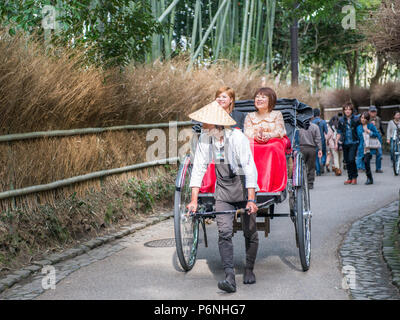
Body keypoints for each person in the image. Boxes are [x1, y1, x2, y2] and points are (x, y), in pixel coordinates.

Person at [187, 100, 259, 293]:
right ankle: (229, 277)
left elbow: (249, 168)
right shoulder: (205, 139)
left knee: (250, 230)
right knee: (224, 232)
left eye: (205, 123)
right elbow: (199, 169)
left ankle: (249, 269)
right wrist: (194, 200)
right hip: (224, 191)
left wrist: (251, 199)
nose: (202, 126)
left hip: (243, 187)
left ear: (216, 123)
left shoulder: (237, 138)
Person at [243, 87, 288, 193]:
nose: (259, 99)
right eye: (257, 97)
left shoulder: (277, 114)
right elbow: (247, 131)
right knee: (247, 146)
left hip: (273, 140)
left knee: (272, 148)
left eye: (263, 97)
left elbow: (280, 131)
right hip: (254, 141)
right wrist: (255, 136)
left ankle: (268, 183)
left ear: (270, 100)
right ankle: (250, 183)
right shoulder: (250, 116)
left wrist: (268, 135)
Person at [337, 101, 361, 185]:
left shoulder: (356, 119)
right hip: (345, 143)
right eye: (346, 109)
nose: (347, 111)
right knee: (347, 161)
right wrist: (337, 142)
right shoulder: (341, 120)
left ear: (352, 110)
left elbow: (362, 126)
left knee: (351, 159)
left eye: (349, 109)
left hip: (354, 142)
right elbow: (339, 131)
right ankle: (349, 177)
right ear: (343, 111)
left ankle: (354, 177)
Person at [356, 112, 380, 185]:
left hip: (369, 147)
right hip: (362, 148)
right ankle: (369, 178)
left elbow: (377, 135)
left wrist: (370, 132)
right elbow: (358, 138)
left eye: (365, 118)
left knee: (366, 161)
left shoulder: (371, 126)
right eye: (362, 118)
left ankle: (369, 178)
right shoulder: (358, 127)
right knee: (364, 163)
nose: (363, 119)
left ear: (367, 119)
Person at [299, 123, 322, 189]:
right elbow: (318, 138)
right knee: (311, 167)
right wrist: (320, 149)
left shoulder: (298, 126)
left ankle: (300, 182)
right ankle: (310, 183)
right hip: (312, 148)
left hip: (301, 148)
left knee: (300, 166)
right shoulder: (315, 126)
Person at [311, 109, 328, 176]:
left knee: (316, 157)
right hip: (322, 140)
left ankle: (318, 171)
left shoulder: (311, 122)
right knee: (323, 153)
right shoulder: (323, 122)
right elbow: (326, 132)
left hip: (314, 141)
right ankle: (323, 163)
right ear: (319, 114)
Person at [368, 105, 384, 173]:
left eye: (374, 111)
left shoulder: (378, 119)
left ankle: (378, 168)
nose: (373, 113)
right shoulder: (366, 119)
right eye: (372, 111)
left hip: (378, 137)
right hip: (370, 137)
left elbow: (380, 127)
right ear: (369, 112)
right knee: (369, 154)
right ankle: (366, 167)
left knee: (379, 153)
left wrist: (383, 134)